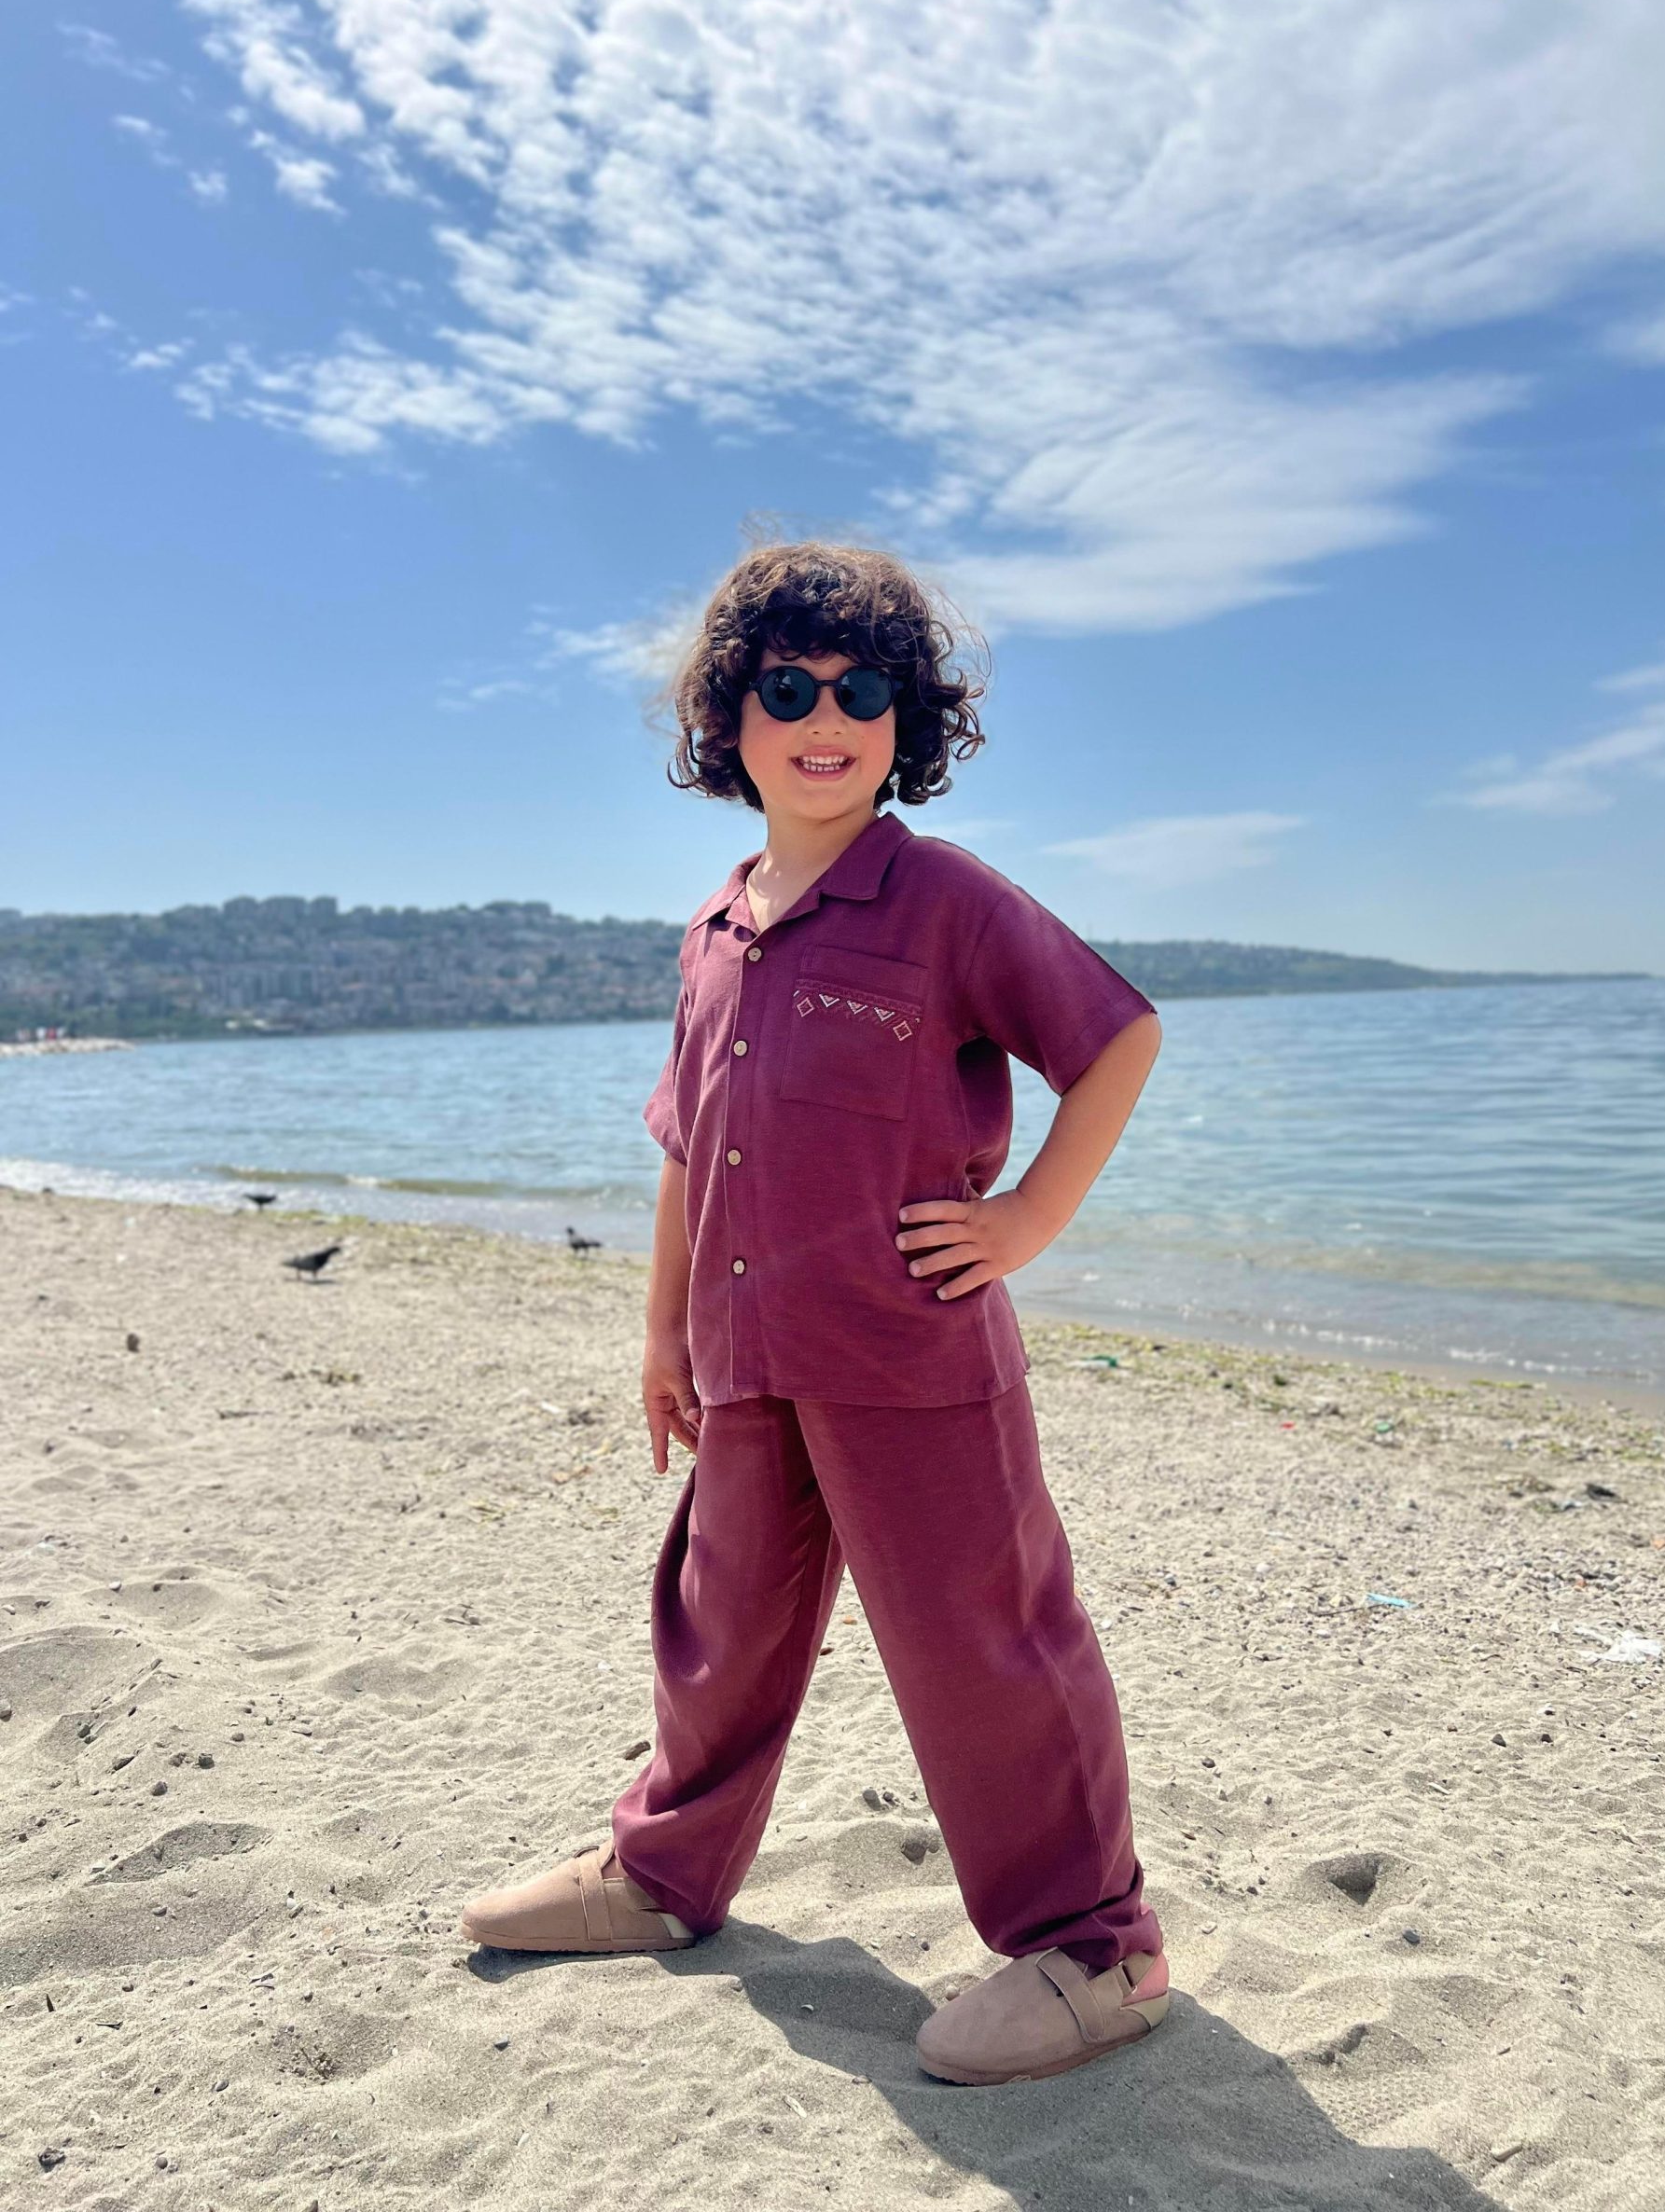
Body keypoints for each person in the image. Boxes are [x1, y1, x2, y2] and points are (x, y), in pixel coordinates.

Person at [461, 542, 1170, 2084]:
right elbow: (684, 1150)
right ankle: (663, 1876)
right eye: (787, 690)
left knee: (984, 1644)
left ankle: (1098, 1951)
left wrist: (1026, 1218)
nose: (824, 719)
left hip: (909, 1353)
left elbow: (1116, 1038)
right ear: (731, 720)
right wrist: (662, 1333)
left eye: (862, 691)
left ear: (911, 721)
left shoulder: (943, 900)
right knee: (715, 1628)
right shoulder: (715, 927)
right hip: (743, 1357)